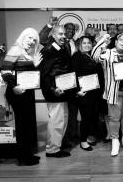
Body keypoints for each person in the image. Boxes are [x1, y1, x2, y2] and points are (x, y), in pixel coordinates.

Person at [92, 33, 123, 157]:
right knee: (114, 118)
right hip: (114, 92)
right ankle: (115, 141)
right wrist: (103, 42)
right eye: (121, 40)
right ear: (116, 41)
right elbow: (94, 56)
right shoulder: (108, 53)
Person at [2, 28, 43, 165]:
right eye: (29, 38)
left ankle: (27, 154)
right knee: (22, 125)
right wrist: (14, 86)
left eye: (34, 40)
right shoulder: (16, 50)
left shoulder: (27, 52)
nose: (32, 42)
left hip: (26, 92)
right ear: (22, 37)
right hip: (17, 92)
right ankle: (23, 158)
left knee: (28, 124)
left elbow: (26, 72)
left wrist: (34, 65)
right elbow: (5, 71)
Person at [39, 25, 72, 158]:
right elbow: (44, 74)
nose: (63, 36)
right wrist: (53, 89)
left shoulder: (61, 48)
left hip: (62, 90)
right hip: (54, 91)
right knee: (56, 120)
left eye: (64, 34)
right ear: (53, 35)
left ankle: (57, 144)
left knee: (62, 119)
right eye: (60, 34)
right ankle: (52, 150)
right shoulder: (49, 50)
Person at [71, 36, 101, 151]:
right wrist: (78, 90)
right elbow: (74, 74)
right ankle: (83, 142)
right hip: (84, 93)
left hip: (93, 92)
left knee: (92, 117)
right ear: (79, 44)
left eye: (89, 43)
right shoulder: (77, 56)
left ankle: (88, 137)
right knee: (85, 118)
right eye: (84, 43)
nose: (87, 45)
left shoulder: (90, 56)